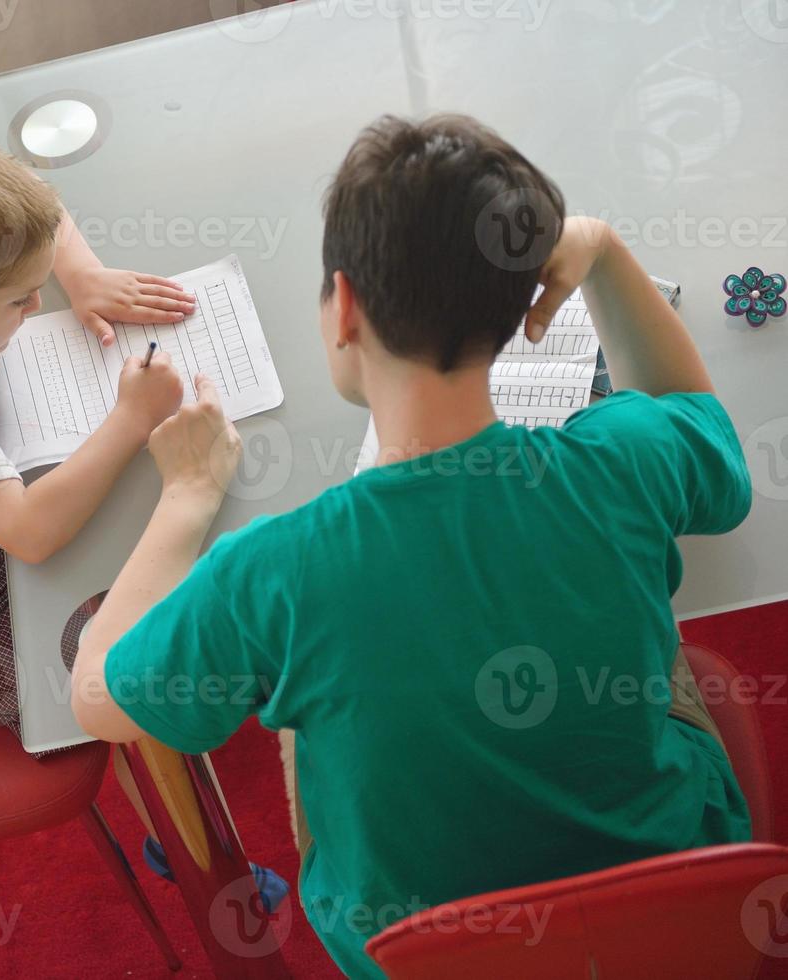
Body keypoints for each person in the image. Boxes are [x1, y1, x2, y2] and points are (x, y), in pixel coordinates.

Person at [71, 114, 752, 977]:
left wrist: (187, 496)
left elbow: (100, 700)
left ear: (344, 305)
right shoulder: (623, 458)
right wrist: (608, 254)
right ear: (519, 306)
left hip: (422, 954)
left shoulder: (272, 573)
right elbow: (707, 440)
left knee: (302, 718)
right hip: (674, 920)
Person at [0, 130, 289, 907]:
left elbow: (45, 210)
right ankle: (185, 846)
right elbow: (33, 533)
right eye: (20, 299)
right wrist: (129, 419)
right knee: (117, 662)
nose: (37, 305)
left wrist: (82, 274)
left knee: (129, 556)